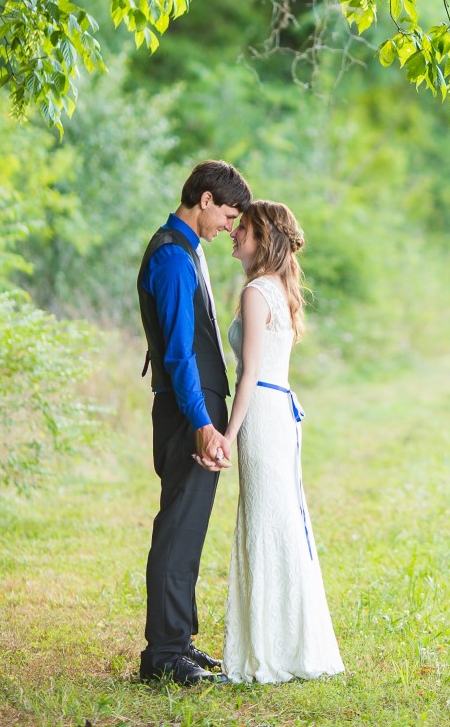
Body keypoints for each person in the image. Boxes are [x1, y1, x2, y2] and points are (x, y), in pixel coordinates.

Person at [136, 160, 252, 685]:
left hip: (196, 407)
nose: (230, 225)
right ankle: (162, 655)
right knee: (177, 530)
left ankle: (178, 643)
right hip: (189, 411)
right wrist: (204, 424)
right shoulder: (172, 257)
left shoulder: (188, 252)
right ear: (204, 199)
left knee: (188, 529)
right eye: (227, 215)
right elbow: (180, 355)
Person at [219, 200, 344, 683]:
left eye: (243, 229)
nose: (235, 235)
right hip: (278, 412)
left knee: (266, 523)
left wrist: (228, 434)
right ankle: (287, 641)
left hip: (262, 416)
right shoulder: (279, 290)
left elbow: (249, 372)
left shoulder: (256, 292)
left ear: (262, 237)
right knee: (279, 521)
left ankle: (272, 648)